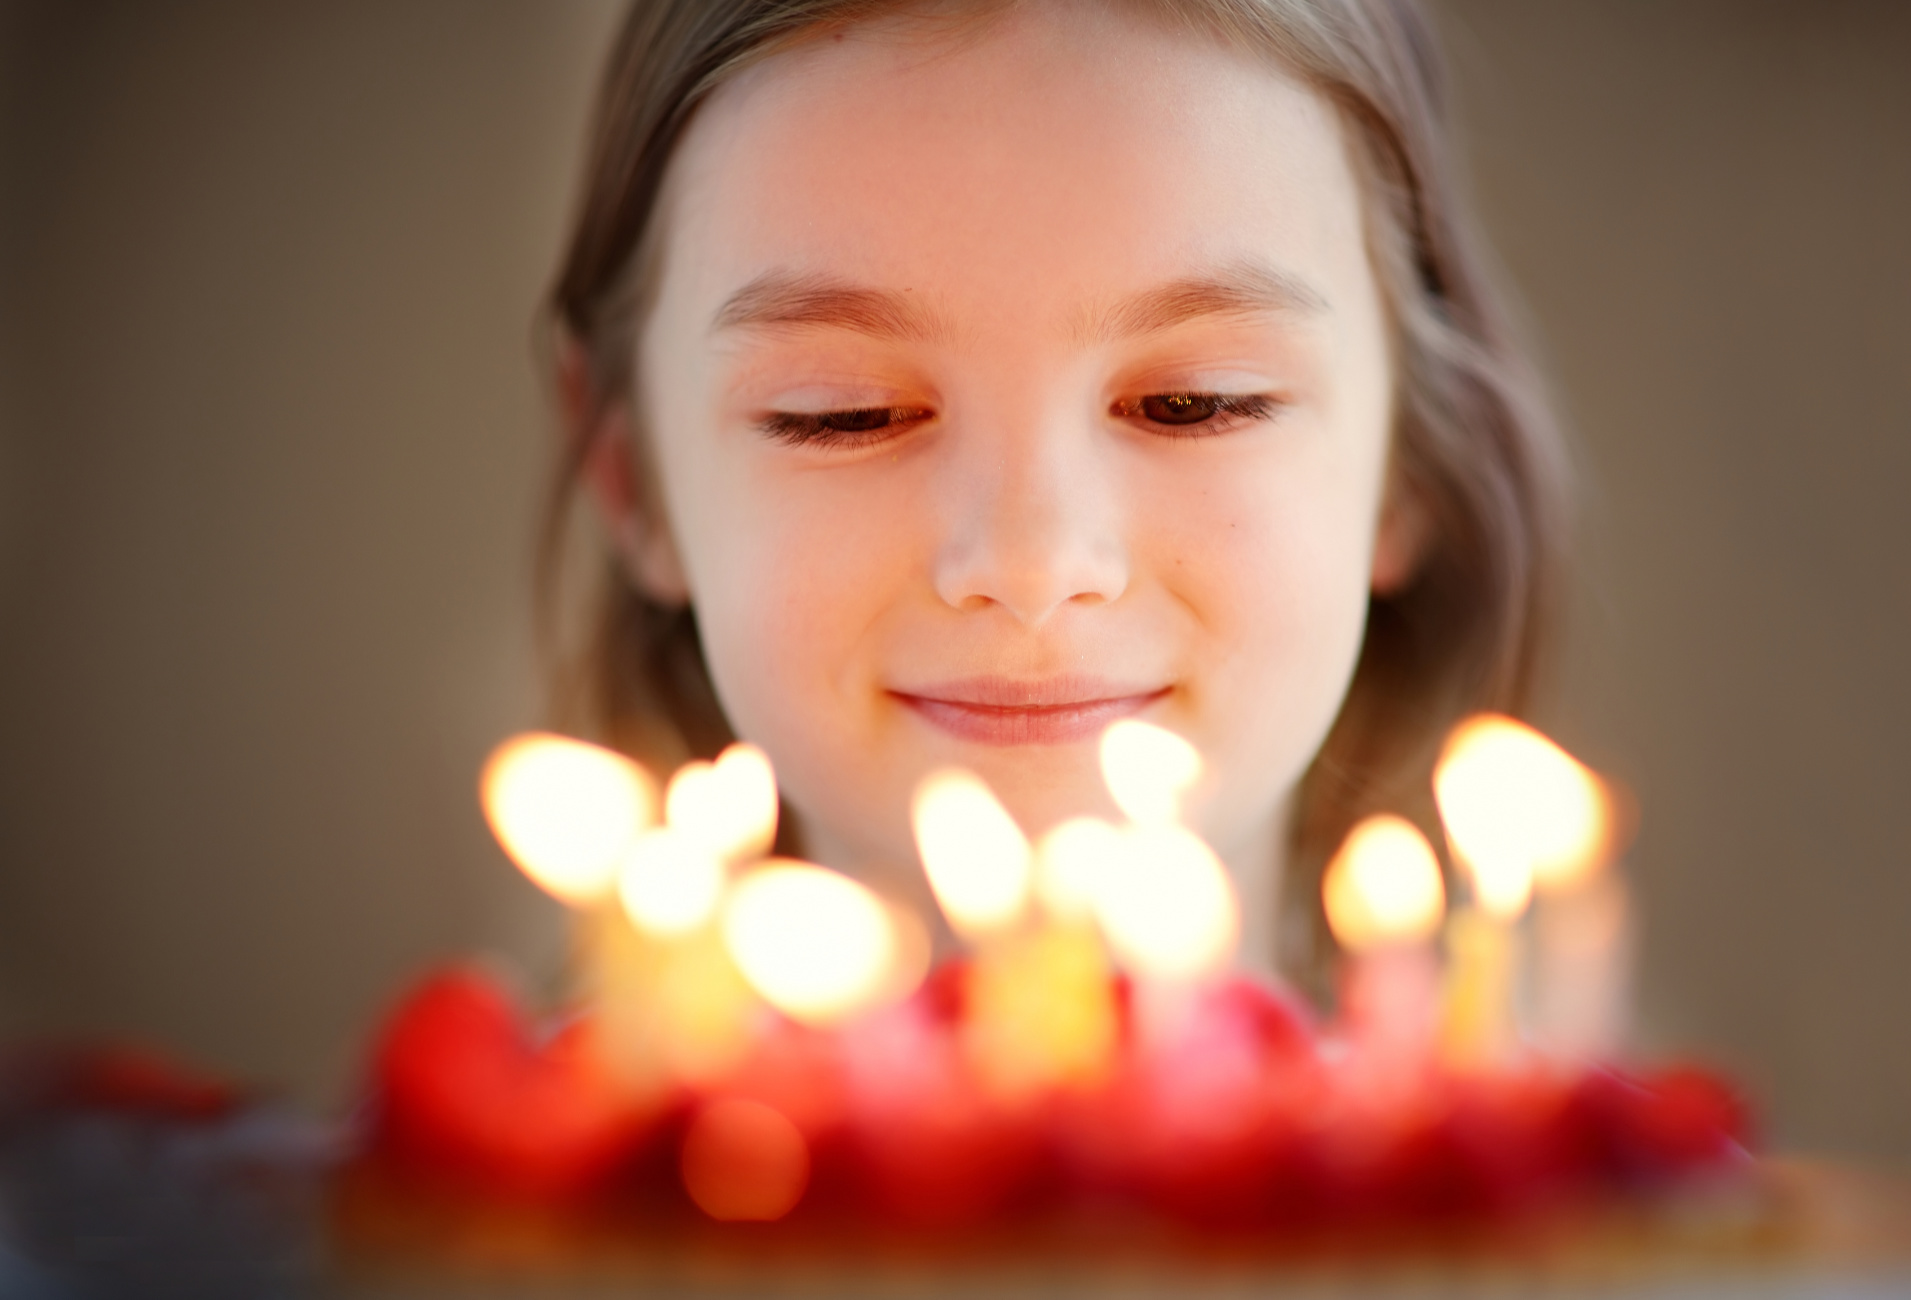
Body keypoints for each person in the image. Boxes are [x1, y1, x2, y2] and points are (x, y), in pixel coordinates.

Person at [540, 0, 1565, 984]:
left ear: (1407, 459)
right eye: (843, 412)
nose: (1030, 564)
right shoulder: (433, 1173)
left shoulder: (1619, 1172)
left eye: (1190, 402)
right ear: (633, 482)